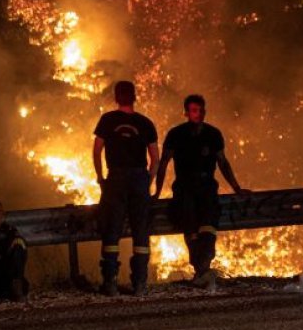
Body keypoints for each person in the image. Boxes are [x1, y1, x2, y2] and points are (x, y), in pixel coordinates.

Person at [154, 95, 250, 291]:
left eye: (202, 110)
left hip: (207, 187)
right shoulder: (176, 134)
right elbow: (163, 162)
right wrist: (156, 191)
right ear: (187, 113)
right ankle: (201, 271)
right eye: (195, 110)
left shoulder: (213, 134)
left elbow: (223, 162)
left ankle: (203, 270)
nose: (199, 114)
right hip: (184, 189)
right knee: (190, 229)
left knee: (208, 228)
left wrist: (237, 188)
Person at [93, 80, 159, 296]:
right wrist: (147, 182)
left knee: (112, 230)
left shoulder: (107, 120)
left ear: (116, 97)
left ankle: (110, 283)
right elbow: (155, 159)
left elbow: (97, 151)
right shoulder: (145, 123)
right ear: (135, 96)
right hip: (139, 178)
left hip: (116, 178)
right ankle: (139, 284)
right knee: (141, 231)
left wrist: (101, 177)